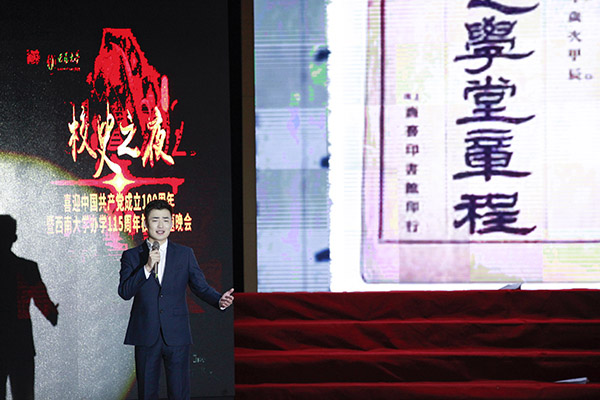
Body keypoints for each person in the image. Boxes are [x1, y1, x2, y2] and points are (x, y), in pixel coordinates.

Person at [118, 200, 234, 400]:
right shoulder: (132, 256)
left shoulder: (184, 254)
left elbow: (200, 287)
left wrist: (218, 300)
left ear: (172, 223)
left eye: (165, 220)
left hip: (177, 334)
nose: (161, 225)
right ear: (145, 223)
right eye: (155, 220)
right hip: (146, 334)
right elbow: (125, 292)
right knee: (147, 393)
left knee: (179, 392)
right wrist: (147, 267)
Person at [0, 215, 58, 400]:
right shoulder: (27, 268)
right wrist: (52, 314)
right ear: (14, 238)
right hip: (21, 342)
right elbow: (41, 299)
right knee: (23, 394)